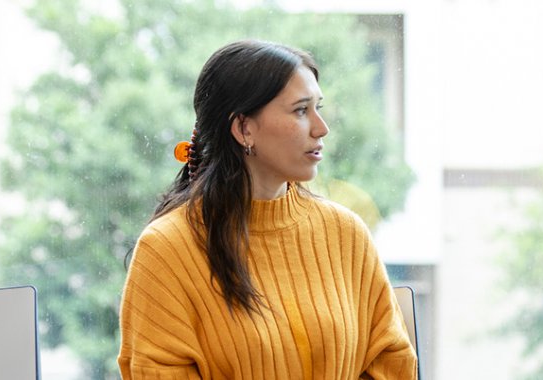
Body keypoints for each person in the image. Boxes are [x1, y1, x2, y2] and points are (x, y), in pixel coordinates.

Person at [118, 40, 418, 379]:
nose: (322, 128)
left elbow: (391, 363)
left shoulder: (346, 233)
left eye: (318, 107)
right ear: (244, 128)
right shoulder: (166, 249)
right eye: (301, 110)